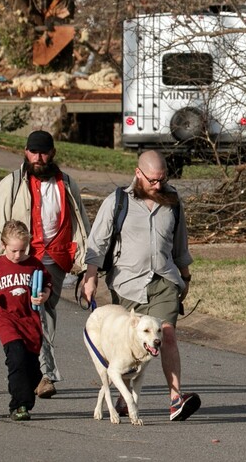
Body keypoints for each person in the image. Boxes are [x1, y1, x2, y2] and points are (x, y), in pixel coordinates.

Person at [81, 150, 200, 421]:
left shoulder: (172, 201)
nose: (158, 185)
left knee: (166, 334)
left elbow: (180, 242)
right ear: (138, 173)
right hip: (127, 284)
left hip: (164, 279)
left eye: (162, 179)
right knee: (131, 343)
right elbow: (97, 242)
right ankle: (125, 397)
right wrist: (90, 277)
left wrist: (185, 275)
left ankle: (175, 400)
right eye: (152, 180)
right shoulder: (117, 201)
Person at [0, 129, 90, 399]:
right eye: (34, 151)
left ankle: (37, 369)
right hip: (22, 260)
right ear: (26, 152)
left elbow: (80, 223)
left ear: (53, 153)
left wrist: (85, 263)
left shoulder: (66, 183)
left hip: (55, 258)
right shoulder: (11, 184)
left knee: (46, 312)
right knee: (36, 311)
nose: (39, 157)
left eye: (44, 152)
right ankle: (45, 374)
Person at [0, 220, 51, 421]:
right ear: (3, 245)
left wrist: (44, 295)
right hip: (6, 319)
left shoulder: (34, 264)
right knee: (16, 359)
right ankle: (19, 405)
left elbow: (46, 285)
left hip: (30, 320)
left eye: (22, 250)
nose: (18, 255)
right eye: (13, 250)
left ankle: (27, 392)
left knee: (31, 368)